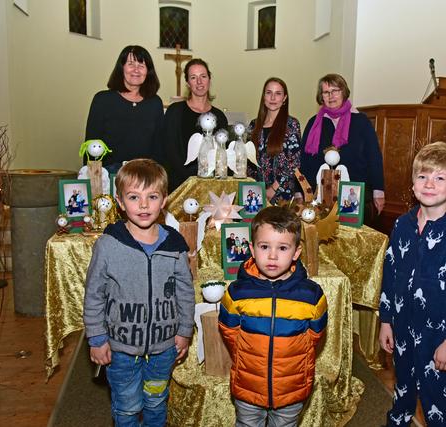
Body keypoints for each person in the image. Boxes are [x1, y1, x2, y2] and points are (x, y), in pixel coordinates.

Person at [83, 158, 195, 427]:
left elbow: (185, 292)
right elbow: (94, 294)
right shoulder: (108, 245)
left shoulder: (175, 244)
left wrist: (184, 331)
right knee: (127, 406)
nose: (143, 205)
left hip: (163, 349)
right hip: (121, 350)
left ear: (164, 200)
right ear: (120, 202)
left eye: (152, 196)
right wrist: (97, 339)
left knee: (156, 402)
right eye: (134, 197)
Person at [378, 142, 446, 426]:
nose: (430, 184)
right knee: (402, 394)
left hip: (439, 335)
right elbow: (390, 274)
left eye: (440, 177)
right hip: (402, 327)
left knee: (439, 402)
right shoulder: (402, 226)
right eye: (423, 177)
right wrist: (386, 321)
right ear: (413, 184)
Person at [218, 206, 327, 426]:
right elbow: (229, 332)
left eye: (283, 248)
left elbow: (315, 336)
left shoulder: (312, 295)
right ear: (252, 248)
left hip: (291, 386)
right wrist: (246, 356)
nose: (273, 256)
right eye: (264, 246)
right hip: (248, 384)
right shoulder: (236, 292)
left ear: (296, 252)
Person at [300, 74, 385, 224]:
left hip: (354, 193)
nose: (331, 96)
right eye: (326, 92)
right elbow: (304, 160)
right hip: (320, 195)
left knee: (350, 238)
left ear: (344, 92)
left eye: (335, 90)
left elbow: (374, 157)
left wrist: (378, 191)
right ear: (321, 96)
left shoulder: (361, 121)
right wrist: (299, 191)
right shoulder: (314, 123)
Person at [85, 45, 164, 173]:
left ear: (148, 72)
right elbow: (91, 143)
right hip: (107, 174)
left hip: (144, 175)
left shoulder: (155, 103)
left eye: (141, 65)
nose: (136, 70)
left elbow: (159, 146)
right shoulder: (103, 100)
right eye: (131, 64)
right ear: (121, 68)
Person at [161, 58, 228, 192]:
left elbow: (222, 155)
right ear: (187, 83)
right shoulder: (175, 111)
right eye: (193, 77)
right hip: (180, 185)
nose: (199, 82)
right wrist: (193, 180)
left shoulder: (219, 116)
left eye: (203, 76)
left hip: (211, 186)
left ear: (209, 79)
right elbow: (170, 152)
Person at [248, 77, 302, 204]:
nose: (273, 98)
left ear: (284, 98)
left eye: (278, 94)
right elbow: (248, 163)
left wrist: (273, 189)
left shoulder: (292, 124)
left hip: (282, 195)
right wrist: (255, 189)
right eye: (269, 93)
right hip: (255, 194)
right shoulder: (253, 125)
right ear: (263, 96)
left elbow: (294, 163)